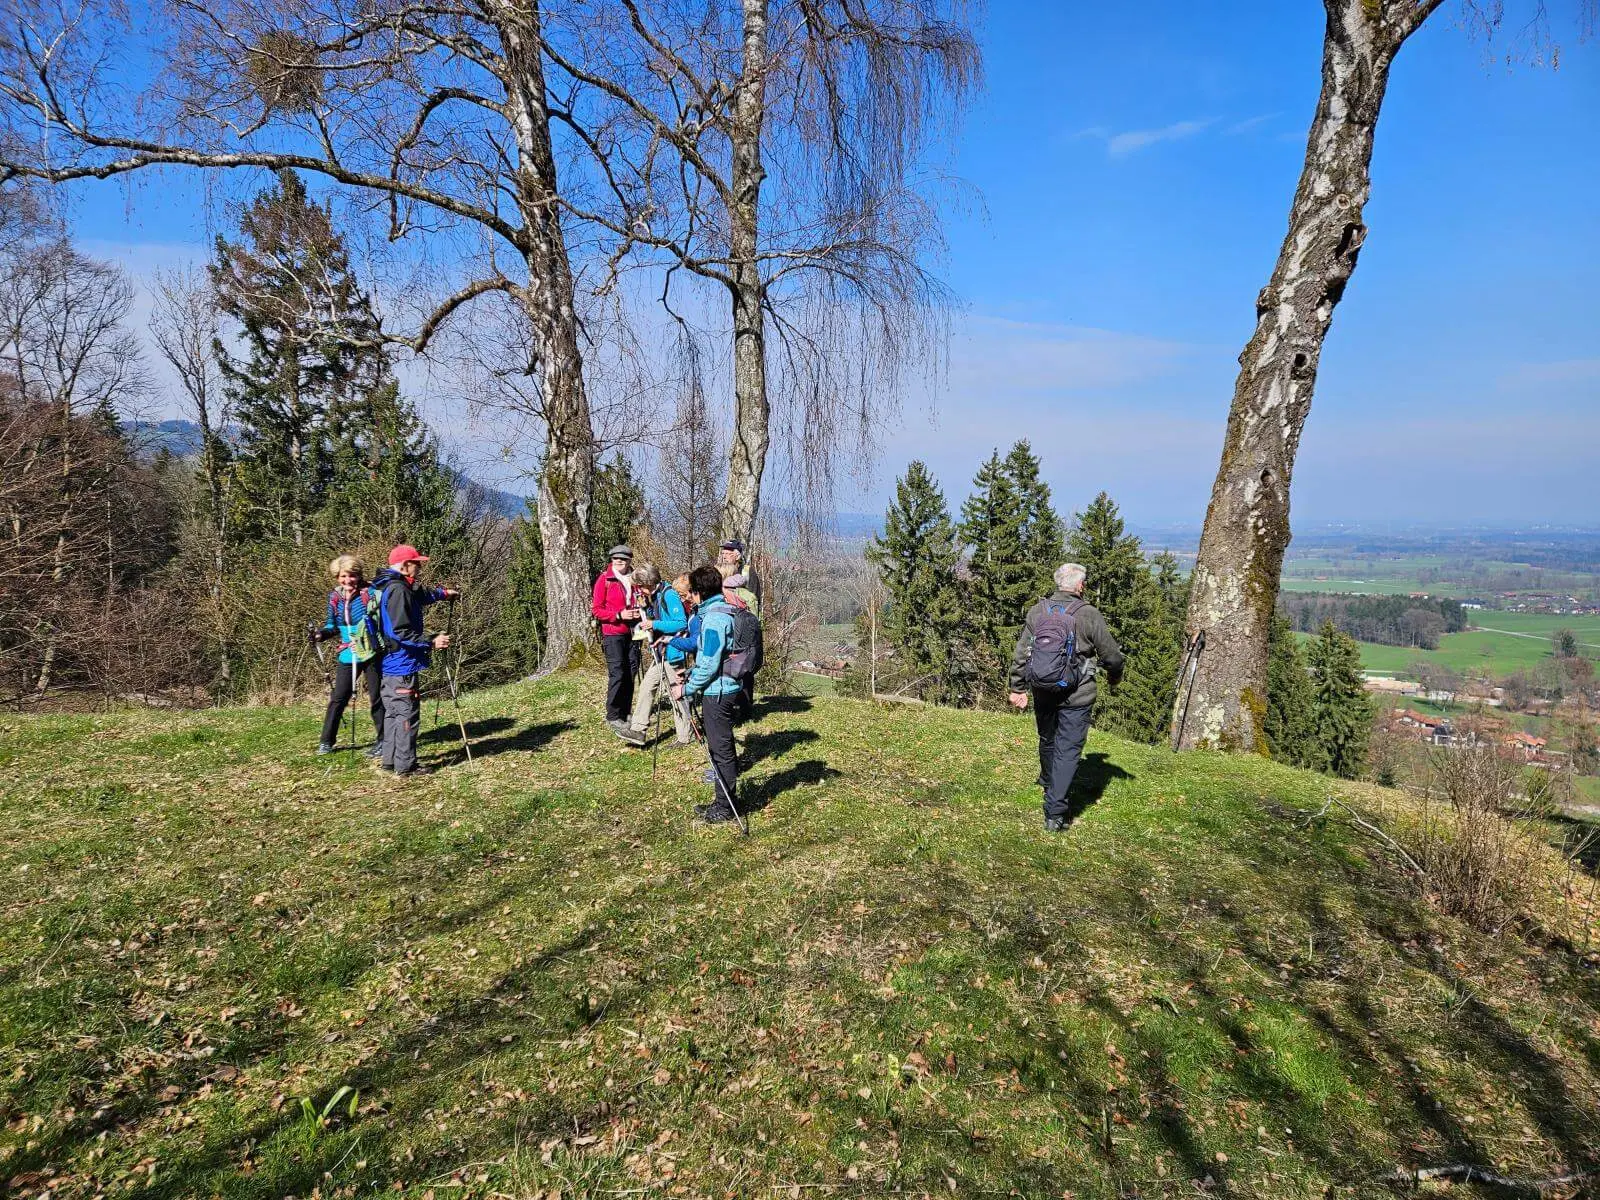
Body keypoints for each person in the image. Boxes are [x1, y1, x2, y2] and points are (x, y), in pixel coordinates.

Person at [1008, 562, 1124, 832]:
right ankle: (1055, 812)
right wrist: (1114, 676)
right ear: (1080, 586)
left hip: (1043, 689)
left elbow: (1022, 653)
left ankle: (1048, 780)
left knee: (1048, 737)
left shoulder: (1038, 611)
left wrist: (1017, 687)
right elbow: (1112, 657)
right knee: (1068, 749)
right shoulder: (1089, 614)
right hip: (1078, 694)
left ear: (1058, 582)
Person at [370, 543, 458, 777]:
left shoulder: (390, 585)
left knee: (393, 715)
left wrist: (443, 594)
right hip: (401, 664)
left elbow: (421, 595)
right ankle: (406, 766)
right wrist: (431, 641)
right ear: (405, 565)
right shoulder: (398, 590)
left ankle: (390, 761)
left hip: (389, 664)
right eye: (416, 563)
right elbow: (401, 632)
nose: (419, 567)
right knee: (407, 715)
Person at [674, 564, 745, 825]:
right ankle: (722, 800)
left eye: (691, 591)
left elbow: (711, 663)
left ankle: (725, 807)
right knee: (720, 748)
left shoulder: (714, 619)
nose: (690, 596)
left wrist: (686, 688)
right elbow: (712, 658)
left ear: (700, 592)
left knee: (721, 749)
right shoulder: (720, 611)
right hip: (721, 688)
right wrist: (692, 673)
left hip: (718, 693)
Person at [311, 554, 384, 756]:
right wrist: (321, 634)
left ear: (359, 576)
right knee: (339, 697)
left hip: (371, 651)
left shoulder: (370, 594)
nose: (347, 581)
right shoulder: (335, 597)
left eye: (352, 576)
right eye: (343, 576)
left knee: (377, 696)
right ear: (337, 577)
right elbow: (332, 625)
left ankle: (384, 740)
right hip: (347, 653)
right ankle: (326, 741)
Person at [622, 568, 693, 746]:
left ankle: (685, 736)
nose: (639, 590)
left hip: (673, 652)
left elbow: (681, 623)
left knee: (676, 693)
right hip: (661, 651)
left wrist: (654, 623)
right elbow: (659, 616)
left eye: (640, 587)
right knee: (647, 687)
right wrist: (646, 608)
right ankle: (638, 731)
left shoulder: (669, 595)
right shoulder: (656, 595)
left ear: (649, 583)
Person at [592, 545, 644, 737]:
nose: (619, 561)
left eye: (623, 559)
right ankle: (613, 715)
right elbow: (597, 610)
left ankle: (626, 711)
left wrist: (641, 608)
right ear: (612, 560)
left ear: (630, 560)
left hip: (635, 632)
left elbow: (643, 599)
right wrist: (619, 615)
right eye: (616, 559)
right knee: (617, 673)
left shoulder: (636, 578)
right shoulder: (604, 580)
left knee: (631, 671)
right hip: (613, 633)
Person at [717, 538, 761, 606]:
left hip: (743, 611)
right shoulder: (718, 570)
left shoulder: (747, 571)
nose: (724, 557)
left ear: (737, 556)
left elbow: (754, 597)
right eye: (723, 553)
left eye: (728, 554)